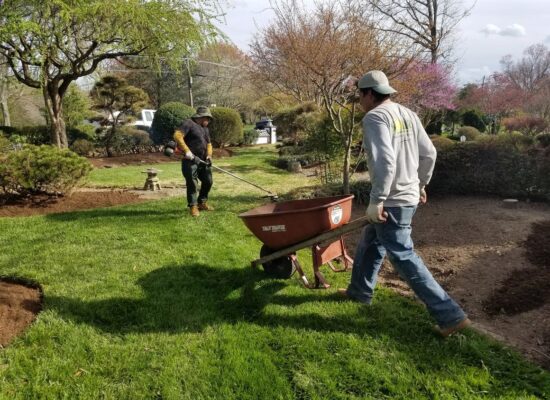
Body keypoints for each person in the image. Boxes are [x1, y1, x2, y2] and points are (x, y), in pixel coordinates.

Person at [339, 70, 471, 337]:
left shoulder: (375, 117)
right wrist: (421, 185)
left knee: (403, 255)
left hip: (392, 200)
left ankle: (450, 315)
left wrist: (377, 200)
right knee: (370, 241)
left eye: (360, 96)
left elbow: (385, 162)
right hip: (406, 194)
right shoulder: (408, 114)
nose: (360, 101)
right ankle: (359, 291)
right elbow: (429, 153)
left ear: (368, 94)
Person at [173, 106, 214, 217]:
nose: (209, 121)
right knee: (192, 184)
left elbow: (209, 144)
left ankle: (202, 203)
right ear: (202, 117)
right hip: (190, 161)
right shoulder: (189, 123)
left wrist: (209, 156)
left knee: (208, 181)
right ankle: (193, 206)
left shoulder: (205, 128)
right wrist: (187, 151)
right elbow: (177, 135)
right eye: (208, 119)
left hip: (203, 161)